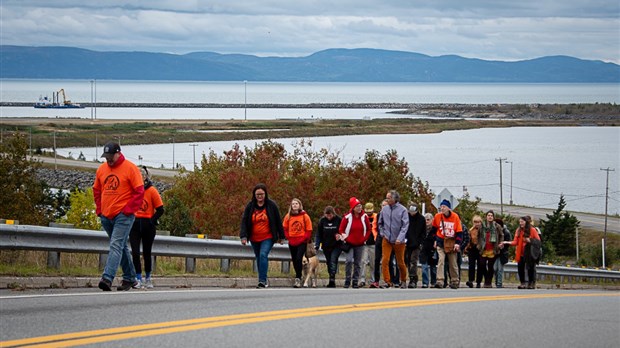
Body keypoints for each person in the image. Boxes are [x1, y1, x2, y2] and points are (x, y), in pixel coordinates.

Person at [93, 141, 144, 291]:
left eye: (110, 156)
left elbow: (139, 192)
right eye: (106, 157)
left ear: (118, 153)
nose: (108, 160)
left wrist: (128, 210)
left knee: (115, 244)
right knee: (120, 246)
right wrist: (100, 210)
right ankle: (130, 278)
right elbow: (96, 190)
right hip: (106, 215)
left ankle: (107, 278)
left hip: (124, 216)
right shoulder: (102, 170)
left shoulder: (130, 168)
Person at [240, 183, 285, 288]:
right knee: (259, 258)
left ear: (265, 194)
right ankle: (263, 278)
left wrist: (281, 236)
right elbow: (244, 221)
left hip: (268, 237)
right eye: (257, 195)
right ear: (254, 195)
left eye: (262, 194)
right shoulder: (250, 206)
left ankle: (262, 280)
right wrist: (243, 236)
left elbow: (278, 220)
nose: (260, 197)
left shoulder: (271, 205)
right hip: (254, 237)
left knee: (263, 255)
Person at [129, 166, 164, 289]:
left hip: (147, 224)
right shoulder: (132, 190)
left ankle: (148, 277)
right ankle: (138, 278)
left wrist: (151, 221)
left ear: (145, 177)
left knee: (147, 252)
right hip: (134, 224)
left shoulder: (152, 191)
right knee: (135, 252)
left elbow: (160, 209)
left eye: (140, 176)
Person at [334, 197, 371, 288]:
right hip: (349, 243)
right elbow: (341, 229)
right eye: (357, 206)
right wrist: (346, 238)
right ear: (353, 207)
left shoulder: (364, 217)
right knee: (349, 260)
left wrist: (364, 238)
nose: (359, 208)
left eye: (360, 206)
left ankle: (355, 281)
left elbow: (368, 229)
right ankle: (347, 280)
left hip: (360, 243)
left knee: (358, 263)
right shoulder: (347, 217)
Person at [378, 190, 409, 288]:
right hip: (387, 239)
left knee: (400, 262)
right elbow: (380, 223)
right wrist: (383, 233)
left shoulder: (403, 210)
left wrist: (400, 238)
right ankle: (387, 281)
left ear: (395, 199)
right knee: (385, 260)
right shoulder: (384, 209)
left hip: (399, 240)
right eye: (386, 197)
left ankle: (403, 280)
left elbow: (405, 226)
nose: (387, 199)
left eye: (389, 198)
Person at [282, 198, 313, 288]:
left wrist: (304, 238)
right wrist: (288, 237)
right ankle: (298, 275)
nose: (294, 205)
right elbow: (285, 228)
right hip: (292, 240)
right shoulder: (288, 216)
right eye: (293, 204)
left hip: (302, 241)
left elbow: (309, 229)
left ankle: (298, 277)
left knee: (299, 258)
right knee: (295, 259)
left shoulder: (305, 216)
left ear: (299, 205)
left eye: (296, 204)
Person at [432, 199, 463, 289]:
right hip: (441, 241)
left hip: (451, 242)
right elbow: (434, 230)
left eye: (444, 207)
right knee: (441, 260)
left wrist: (457, 243)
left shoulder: (455, 217)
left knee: (453, 262)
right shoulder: (438, 216)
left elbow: (459, 232)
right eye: (441, 207)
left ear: (449, 208)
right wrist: (435, 240)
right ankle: (440, 280)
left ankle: (454, 280)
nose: (442, 208)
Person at [505, 216, 541, 289]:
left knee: (530, 268)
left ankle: (531, 283)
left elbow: (538, 241)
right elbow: (515, 242)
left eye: (522, 221)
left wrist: (530, 240)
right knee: (520, 268)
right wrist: (506, 242)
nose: (520, 223)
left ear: (526, 222)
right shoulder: (518, 230)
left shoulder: (533, 230)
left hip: (530, 253)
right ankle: (522, 283)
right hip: (520, 252)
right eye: (520, 222)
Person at [315, 206, 342, 288]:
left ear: (333, 214)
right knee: (329, 261)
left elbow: (343, 230)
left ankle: (332, 279)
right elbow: (318, 234)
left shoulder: (338, 220)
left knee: (333, 260)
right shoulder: (322, 221)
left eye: (330, 215)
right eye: (327, 215)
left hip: (336, 245)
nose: (329, 217)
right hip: (326, 245)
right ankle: (330, 275)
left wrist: (340, 236)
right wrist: (317, 244)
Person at [477, 210, 504, 288]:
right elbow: (478, 235)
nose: (490, 217)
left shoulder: (496, 226)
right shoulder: (482, 225)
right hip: (483, 248)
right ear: (486, 217)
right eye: (488, 215)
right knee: (482, 264)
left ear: (493, 217)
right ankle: (486, 278)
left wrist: (500, 243)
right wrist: (479, 244)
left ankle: (488, 282)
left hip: (493, 249)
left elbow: (501, 235)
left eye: (491, 215)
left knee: (490, 266)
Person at [405, 203, 426, 288]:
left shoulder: (421, 219)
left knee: (413, 261)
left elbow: (423, 233)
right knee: (407, 260)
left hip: (417, 244)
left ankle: (413, 279)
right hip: (407, 243)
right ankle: (410, 276)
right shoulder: (406, 217)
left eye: (413, 211)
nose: (411, 213)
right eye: (410, 211)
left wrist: (420, 242)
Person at [359, 202, 378, 287]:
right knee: (363, 262)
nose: (368, 213)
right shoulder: (362, 217)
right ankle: (362, 279)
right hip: (364, 243)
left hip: (373, 243)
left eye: (370, 212)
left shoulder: (376, 217)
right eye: (367, 212)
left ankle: (373, 280)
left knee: (373, 262)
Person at [420, 213, 438, 288]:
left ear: (432, 220)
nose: (426, 221)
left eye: (428, 220)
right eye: (425, 220)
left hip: (432, 250)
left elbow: (438, 237)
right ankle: (425, 282)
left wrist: (436, 242)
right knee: (424, 267)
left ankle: (433, 282)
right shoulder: (421, 228)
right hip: (423, 250)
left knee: (433, 268)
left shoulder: (435, 229)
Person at [464, 215, 483, 288]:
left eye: (478, 222)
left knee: (480, 266)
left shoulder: (483, 230)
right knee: (471, 265)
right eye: (475, 222)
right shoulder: (471, 230)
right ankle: (470, 281)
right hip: (472, 249)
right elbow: (469, 239)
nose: (477, 224)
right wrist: (466, 248)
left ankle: (478, 282)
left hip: (480, 249)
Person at [494, 218, 512, 288]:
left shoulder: (506, 232)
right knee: (494, 268)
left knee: (500, 269)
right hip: (496, 252)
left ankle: (499, 283)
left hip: (502, 253)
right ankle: (496, 282)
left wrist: (503, 246)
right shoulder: (494, 231)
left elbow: (509, 243)